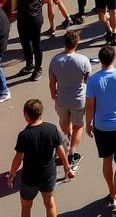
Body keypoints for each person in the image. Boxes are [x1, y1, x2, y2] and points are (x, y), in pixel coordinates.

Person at [85, 45, 116, 213]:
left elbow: (90, 106)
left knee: (107, 160)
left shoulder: (93, 80)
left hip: (102, 127)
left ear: (100, 60)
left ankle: (111, 191)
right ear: (113, 59)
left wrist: (88, 123)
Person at [5, 98, 74, 217]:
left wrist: (12, 174)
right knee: (50, 203)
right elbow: (60, 150)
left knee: (26, 206)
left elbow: (18, 158)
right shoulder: (51, 129)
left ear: (26, 114)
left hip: (30, 178)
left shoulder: (24, 135)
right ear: (40, 113)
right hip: (48, 175)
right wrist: (67, 168)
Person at [48, 29, 92, 174]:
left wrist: (53, 94)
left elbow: (52, 82)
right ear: (76, 43)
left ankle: (65, 143)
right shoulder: (83, 60)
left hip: (62, 98)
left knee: (64, 123)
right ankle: (71, 153)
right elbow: (87, 80)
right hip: (79, 99)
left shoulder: (55, 60)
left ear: (64, 43)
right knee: (78, 125)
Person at [14, 0, 47, 79]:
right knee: (25, 43)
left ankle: (38, 68)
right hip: (22, 19)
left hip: (34, 20)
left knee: (36, 44)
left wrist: (37, 8)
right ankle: (29, 65)